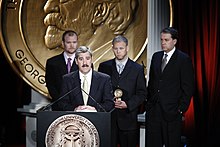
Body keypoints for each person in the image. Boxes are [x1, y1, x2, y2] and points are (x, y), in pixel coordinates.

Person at [146, 27, 195, 147]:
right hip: (154, 112)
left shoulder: (183, 59)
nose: (163, 42)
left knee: (172, 143)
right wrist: (149, 103)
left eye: (166, 40)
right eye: (161, 39)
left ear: (174, 41)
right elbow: (152, 82)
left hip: (172, 112)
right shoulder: (156, 57)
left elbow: (188, 87)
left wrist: (180, 109)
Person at [98, 35, 147, 147]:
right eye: (116, 48)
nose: (118, 51)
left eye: (121, 48)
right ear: (112, 48)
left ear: (127, 48)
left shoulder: (137, 69)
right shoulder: (104, 67)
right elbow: (99, 90)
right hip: (109, 118)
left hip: (128, 119)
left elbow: (142, 93)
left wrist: (128, 104)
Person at [56, 46, 114, 112]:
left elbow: (109, 103)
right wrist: (75, 109)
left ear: (91, 59)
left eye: (87, 58)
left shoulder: (104, 79)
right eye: (81, 59)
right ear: (76, 61)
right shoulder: (67, 79)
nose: (85, 63)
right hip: (74, 120)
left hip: (97, 119)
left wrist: (95, 109)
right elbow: (62, 103)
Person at [45, 30, 79, 109]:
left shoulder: (85, 63)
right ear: (63, 43)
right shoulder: (52, 63)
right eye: (68, 42)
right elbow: (50, 85)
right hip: (58, 106)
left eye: (74, 42)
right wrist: (61, 102)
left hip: (79, 107)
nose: (72, 45)